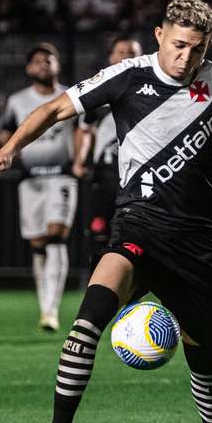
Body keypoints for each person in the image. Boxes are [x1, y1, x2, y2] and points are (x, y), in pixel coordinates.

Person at [0, 0, 212, 423]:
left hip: (195, 241)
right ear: (160, 36)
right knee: (86, 324)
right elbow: (55, 108)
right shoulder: (129, 75)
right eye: (180, 45)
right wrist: (7, 152)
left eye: (198, 48)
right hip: (137, 227)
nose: (187, 58)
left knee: (204, 356)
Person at [0, 42, 81, 332]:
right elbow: (6, 135)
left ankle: (51, 309)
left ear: (58, 65)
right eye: (37, 60)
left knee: (56, 235)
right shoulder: (18, 101)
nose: (43, 64)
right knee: (37, 244)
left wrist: (80, 160)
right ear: (28, 68)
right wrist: (1, 156)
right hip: (30, 179)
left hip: (62, 176)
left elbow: (82, 129)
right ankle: (44, 305)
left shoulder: (71, 96)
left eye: (49, 59)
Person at [72, 36, 143, 267]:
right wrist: (80, 160)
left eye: (132, 52)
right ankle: (99, 289)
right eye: (121, 52)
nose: (126, 56)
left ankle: (133, 291)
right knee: (99, 232)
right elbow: (85, 130)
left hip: (139, 176)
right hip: (105, 174)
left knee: (135, 236)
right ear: (111, 57)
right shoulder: (97, 92)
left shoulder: (150, 92)